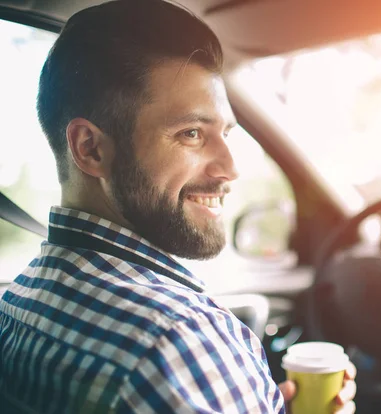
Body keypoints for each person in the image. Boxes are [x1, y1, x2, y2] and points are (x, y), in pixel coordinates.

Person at [0, 0, 356, 412]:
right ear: (91, 148)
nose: (230, 169)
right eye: (191, 133)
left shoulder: (22, 301)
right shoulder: (179, 342)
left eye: (225, 133)